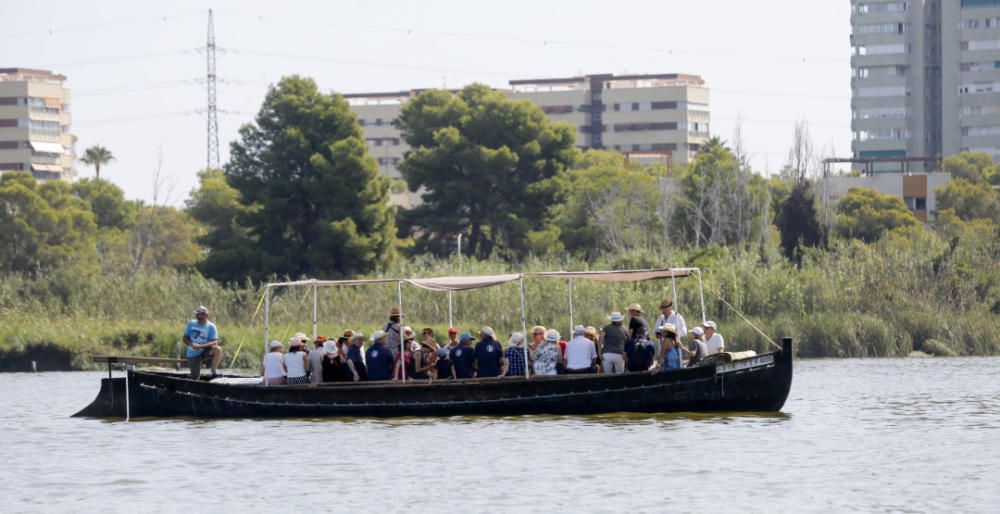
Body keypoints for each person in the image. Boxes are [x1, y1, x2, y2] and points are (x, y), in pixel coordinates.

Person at [183, 305, 223, 379]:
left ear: (205, 315)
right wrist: (191, 344)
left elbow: (215, 342)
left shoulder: (211, 326)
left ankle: (212, 373)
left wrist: (200, 346)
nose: (196, 315)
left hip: (205, 351)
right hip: (192, 353)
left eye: (199, 313)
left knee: (218, 349)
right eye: (196, 313)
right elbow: (185, 338)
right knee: (195, 377)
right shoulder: (191, 323)